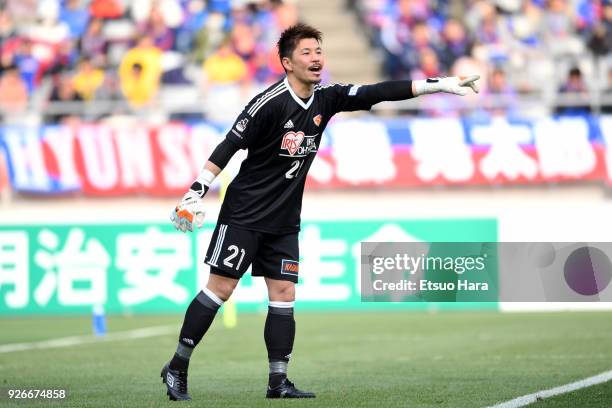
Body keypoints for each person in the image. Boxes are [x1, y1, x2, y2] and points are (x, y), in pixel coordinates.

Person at [161, 23, 479, 401]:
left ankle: (277, 381)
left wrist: (438, 84)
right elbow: (229, 145)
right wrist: (195, 191)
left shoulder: (326, 98)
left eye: (318, 51)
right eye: (307, 53)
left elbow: (376, 92)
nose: (316, 59)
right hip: (244, 213)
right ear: (286, 63)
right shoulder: (268, 103)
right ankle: (177, 367)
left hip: (283, 219)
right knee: (221, 289)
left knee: (283, 292)